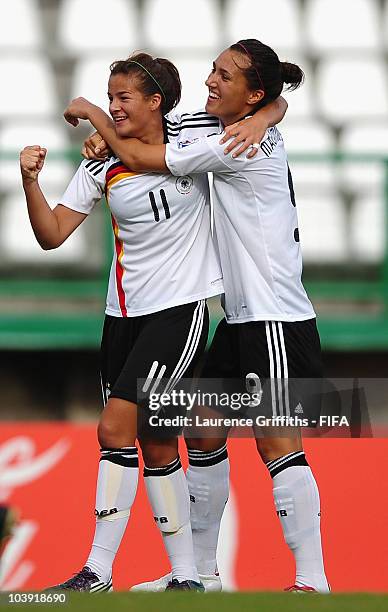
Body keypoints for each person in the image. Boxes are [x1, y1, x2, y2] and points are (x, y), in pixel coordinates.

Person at [64, 39, 330, 594]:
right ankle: (200, 575)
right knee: (201, 427)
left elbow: (139, 157)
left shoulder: (236, 142)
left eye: (224, 75)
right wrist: (270, 110)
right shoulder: (229, 122)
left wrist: (94, 114)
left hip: (273, 313)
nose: (210, 79)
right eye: (213, 69)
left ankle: (313, 581)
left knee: (277, 440)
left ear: (251, 95)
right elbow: (152, 133)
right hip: (239, 314)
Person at [21, 51, 284, 593]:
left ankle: (96, 570)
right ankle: (187, 577)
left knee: (113, 430)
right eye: (110, 97)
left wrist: (261, 116)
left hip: (178, 313)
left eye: (124, 98)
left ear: (156, 102)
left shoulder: (192, 137)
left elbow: (273, 101)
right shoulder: (99, 164)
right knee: (159, 444)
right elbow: (52, 235)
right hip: (121, 317)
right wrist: (30, 182)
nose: (115, 108)